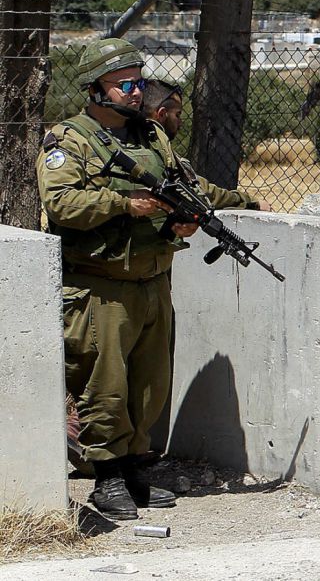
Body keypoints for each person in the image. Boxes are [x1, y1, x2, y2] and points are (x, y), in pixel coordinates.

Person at [37, 38, 194, 520]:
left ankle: (134, 471)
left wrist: (183, 219)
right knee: (104, 384)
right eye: (124, 83)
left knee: (150, 385)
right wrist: (125, 205)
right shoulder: (69, 140)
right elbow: (61, 204)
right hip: (100, 286)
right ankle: (106, 477)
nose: (135, 91)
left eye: (139, 81)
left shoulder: (151, 137)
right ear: (96, 89)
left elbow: (182, 185)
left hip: (152, 278)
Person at [141, 79, 259, 210]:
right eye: (177, 115)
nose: (180, 123)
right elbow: (203, 191)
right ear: (162, 114)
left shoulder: (129, 140)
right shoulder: (160, 153)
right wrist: (248, 202)